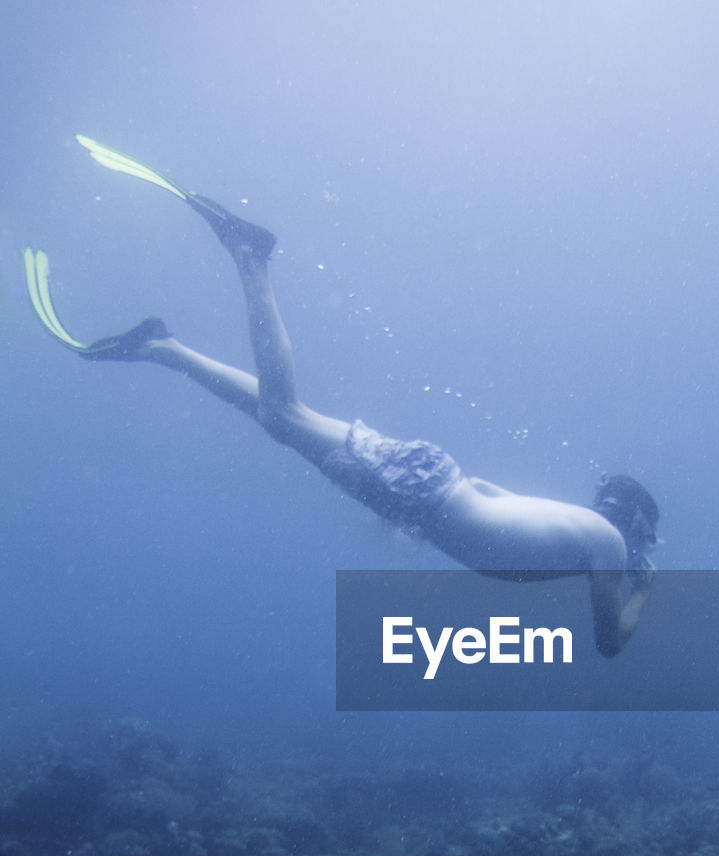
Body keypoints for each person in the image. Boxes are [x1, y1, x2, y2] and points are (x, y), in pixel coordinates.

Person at [24, 137, 659, 656]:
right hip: (427, 492)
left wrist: (411, 521)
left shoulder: (578, 526)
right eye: (643, 540)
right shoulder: (605, 542)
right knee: (283, 412)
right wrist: (643, 589)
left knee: (280, 418)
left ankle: (163, 348)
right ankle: (249, 258)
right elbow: (608, 642)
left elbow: (493, 500)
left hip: (433, 484)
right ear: (635, 527)